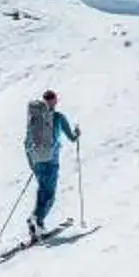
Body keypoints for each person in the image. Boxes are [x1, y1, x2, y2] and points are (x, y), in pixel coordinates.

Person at [24, 91, 81, 240]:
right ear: (55, 101)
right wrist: (77, 133)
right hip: (50, 161)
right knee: (49, 195)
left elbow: (26, 142)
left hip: (36, 160)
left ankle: (36, 223)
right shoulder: (58, 117)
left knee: (42, 191)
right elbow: (72, 138)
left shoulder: (34, 118)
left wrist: (32, 161)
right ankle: (37, 220)